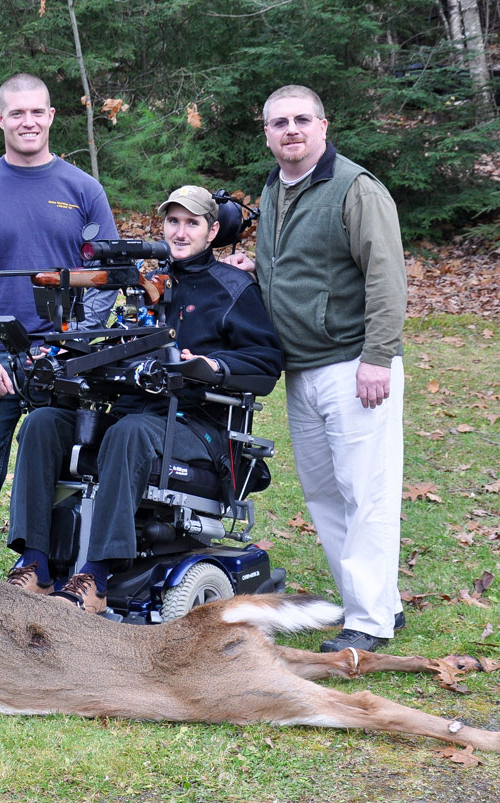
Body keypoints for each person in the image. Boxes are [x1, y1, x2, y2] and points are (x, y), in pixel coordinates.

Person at [5, 185, 283, 613]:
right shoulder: (145, 286)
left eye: (192, 223)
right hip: (131, 411)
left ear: (211, 232)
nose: (181, 231)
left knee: (130, 433)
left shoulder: (232, 288)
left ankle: (95, 576)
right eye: (173, 221)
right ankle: (35, 564)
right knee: (43, 423)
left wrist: (211, 365)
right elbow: (115, 343)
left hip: (197, 424)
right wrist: (67, 356)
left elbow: (264, 363)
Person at [229, 85, 407, 652]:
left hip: (356, 364)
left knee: (366, 494)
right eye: (279, 123)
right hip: (301, 369)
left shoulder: (355, 188)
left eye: (301, 120)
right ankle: (375, 603)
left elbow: (386, 277)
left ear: (323, 126)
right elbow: (295, 269)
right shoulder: (274, 190)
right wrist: (250, 269)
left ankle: (369, 622)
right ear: (267, 133)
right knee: (325, 497)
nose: (291, 131)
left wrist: (379, 356)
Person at [0, 73, 118, 574]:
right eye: (16, 113)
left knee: (63, 478)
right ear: (0, 119)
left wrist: (72, 346)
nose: (28, 121)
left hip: (63, 363)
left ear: (52, 116)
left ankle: (50, 584)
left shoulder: (84, 190)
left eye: (37, 111)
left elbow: (106, 279)